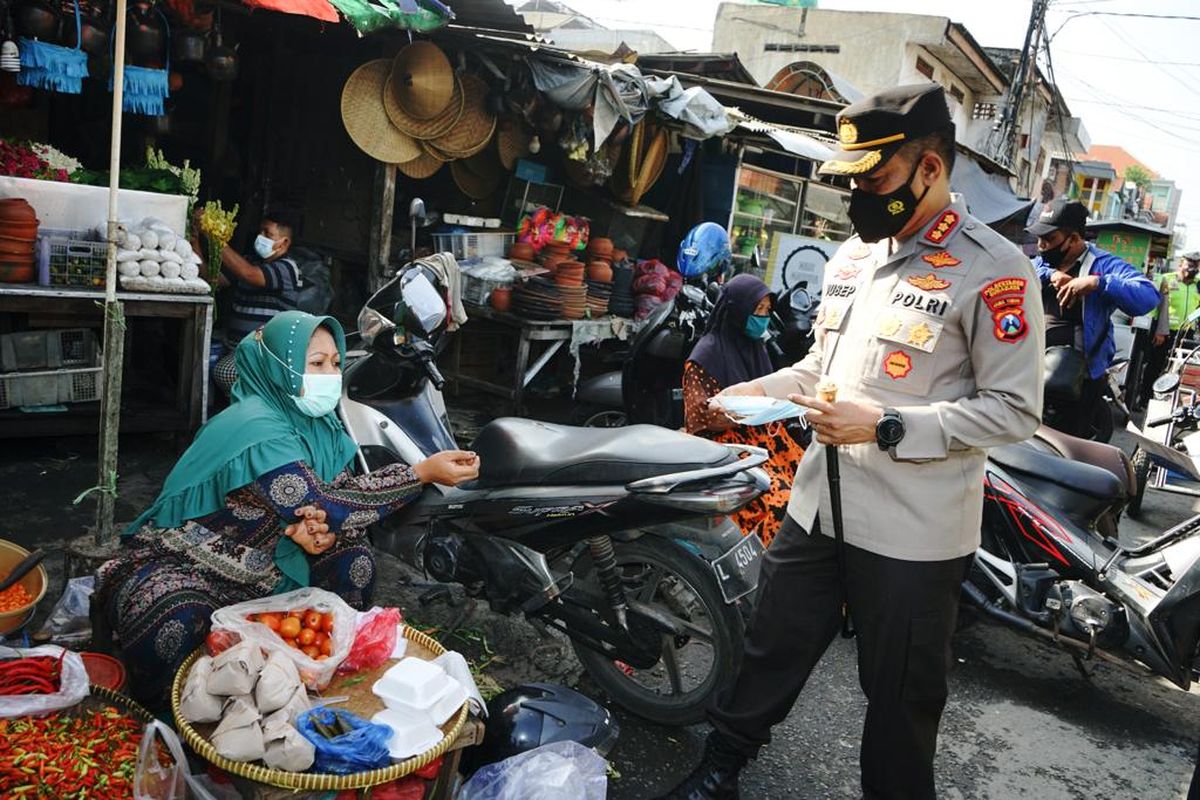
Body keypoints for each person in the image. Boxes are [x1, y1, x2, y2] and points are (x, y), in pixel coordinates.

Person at [657, 83, 1044, 800]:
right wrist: (750, 392)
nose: (861, 193)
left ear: (930, 169)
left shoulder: (997, 269)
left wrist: (890, 425)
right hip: (819, 505)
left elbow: (1013, 410)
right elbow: (819, 369)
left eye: (878, 176)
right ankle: (721, 769)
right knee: (771, 645)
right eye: (854, 179)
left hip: (914, 532)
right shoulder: (852, 260)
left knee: (899, 695)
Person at [95, 311, 480, 703]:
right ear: (278, 366)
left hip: (272, 562)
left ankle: (318, 680)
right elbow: (322, 501)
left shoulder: (322, 427)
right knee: (173, 611)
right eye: (315, 364)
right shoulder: (255, 425)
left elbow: (336, 494)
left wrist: (316, 529)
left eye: (334, 363)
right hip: (195, 566)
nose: (329, 374)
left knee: (354, 559)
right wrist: (420, 473)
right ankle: (168, 722)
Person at [682, 274, 804, 547]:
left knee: (809, 478)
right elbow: (698, 419)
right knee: (778, 500)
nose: (762, 317)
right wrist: (735, 411)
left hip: (765, 439)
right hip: (727, 447)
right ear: (736, 310)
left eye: (766, 311)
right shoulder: (706, 355)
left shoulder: (756, 348)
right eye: (756, 310)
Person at [1027, 198, 1158, 437]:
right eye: (1039, 239)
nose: (1041, 245)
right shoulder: (1042, 263)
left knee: (1064, 449)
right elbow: (1023, 269)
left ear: (1075, 239)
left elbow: (1148, 296)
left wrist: (1098, 282)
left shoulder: (1103, 265)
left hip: (1079, 383)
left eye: (1049, 239)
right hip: (1028, 373)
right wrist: (1052, 274)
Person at [206, 212, 305, 396]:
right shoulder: (249, 261)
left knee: (225, 373)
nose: (261, 237)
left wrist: (215, 237)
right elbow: (215, 280)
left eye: (268, 234)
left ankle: (262, 403)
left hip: (264, 352)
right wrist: (196, 243)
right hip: (236, 346)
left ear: (284, 243)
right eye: (260, 231)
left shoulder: (288, 268)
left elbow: (249, 274)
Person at [1141, 252, 1200, 406]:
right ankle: (1145, 399)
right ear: (1181, 263)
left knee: (1180, 369)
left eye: (1197, 265)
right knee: (1156, 365)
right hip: (1166, 331)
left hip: (1187, 333)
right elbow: (1160, 307)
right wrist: (1160, 331)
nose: (1193, 268)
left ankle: (1170, 403)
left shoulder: (1198, 284)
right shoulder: (1167, 279)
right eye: (1190, 264)